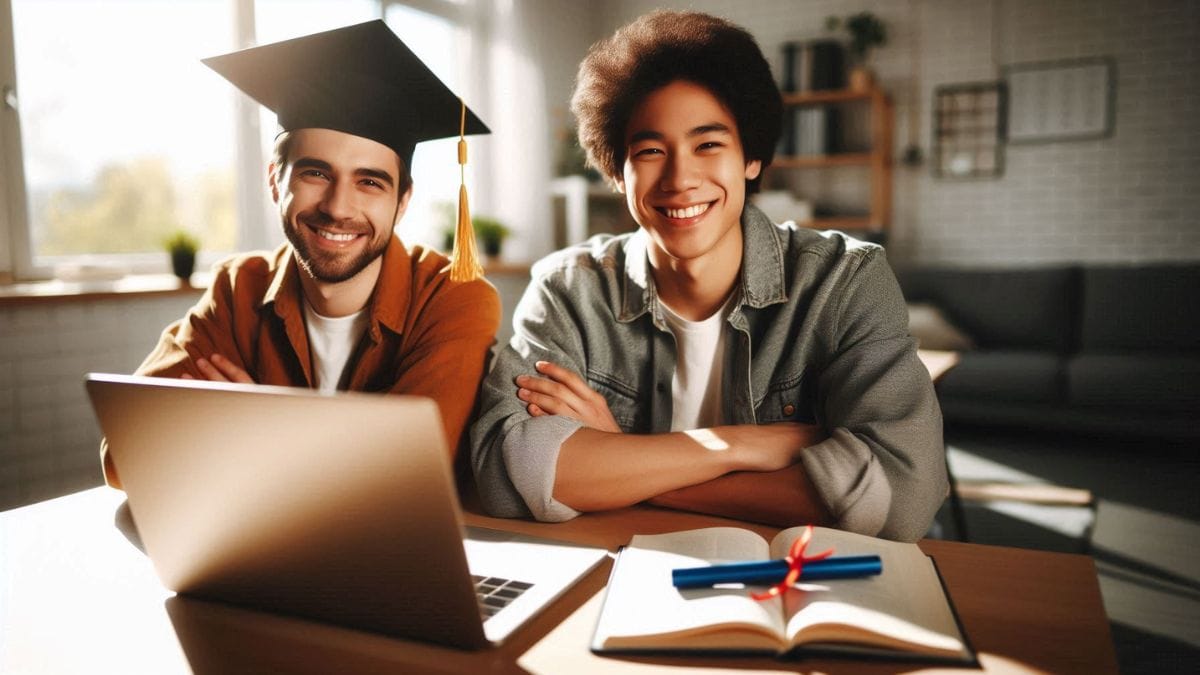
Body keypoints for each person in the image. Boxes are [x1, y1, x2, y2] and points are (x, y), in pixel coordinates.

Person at [470, 11, 945, 542]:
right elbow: (514, 475)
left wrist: (629, 465)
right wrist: (739, 445)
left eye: (708, 144)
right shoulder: (570, 290)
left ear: (751, 157)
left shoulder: (844, 280)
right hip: (631, 567)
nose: (680, 179)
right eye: (650, 151)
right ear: (616, 172)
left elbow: (899, 495)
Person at [101, 21, 500, 489]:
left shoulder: (453, 297)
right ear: (275, 180)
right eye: (316, 173)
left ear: (403, 201)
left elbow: (409, 472)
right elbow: (123, 456)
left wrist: (261, 430)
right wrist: (337, 450)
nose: (337, 207)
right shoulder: (237, 289)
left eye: (370, 181)